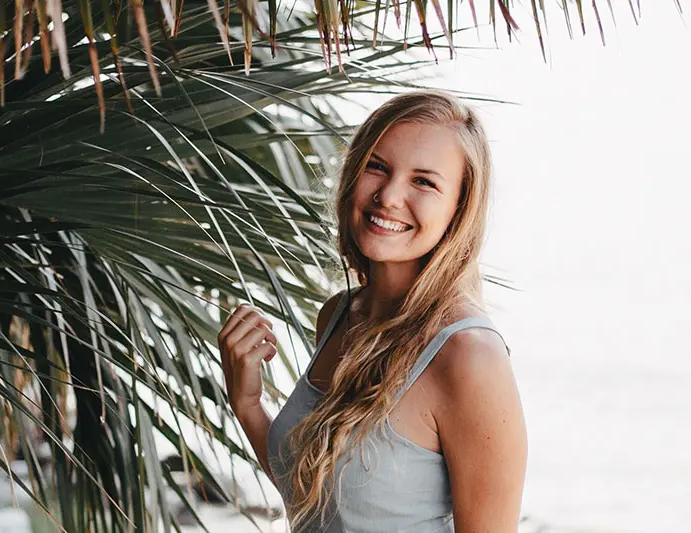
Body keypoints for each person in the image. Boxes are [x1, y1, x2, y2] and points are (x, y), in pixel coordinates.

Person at [218, 90, 528, 532]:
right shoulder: (339, 316)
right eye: (377, 166)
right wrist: (248, 405)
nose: (388, 196)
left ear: (458, 209)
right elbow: (318, 505)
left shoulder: (468, 355)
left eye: (424, 181)